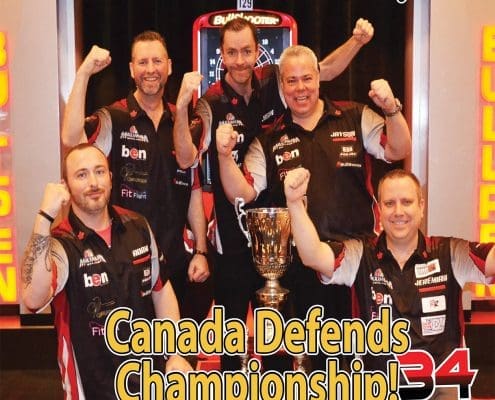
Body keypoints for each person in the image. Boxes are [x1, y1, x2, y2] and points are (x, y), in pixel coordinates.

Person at [173, 17, 374, 371]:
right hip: (234, 238)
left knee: (279, 339)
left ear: (257, 52)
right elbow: (186, 157)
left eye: (246, 51)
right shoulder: (210, 103)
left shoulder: (274, 82)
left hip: (281, 240)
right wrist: (180, 107)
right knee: (232, 337)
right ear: (222, 55)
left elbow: (324, 69)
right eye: (231, 53)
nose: (239, 61)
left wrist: (356, 42)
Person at [216, 44, 411, 371]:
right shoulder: (269, 139)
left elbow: (398, 148)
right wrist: (224, 156)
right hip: (300, 268)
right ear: (282, 85)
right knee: (314, 365)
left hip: (357, 261)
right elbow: (243, 192)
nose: (300, 88)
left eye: (306, 78)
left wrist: (391, 110)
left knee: (365, 358)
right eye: (291, 81)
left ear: (319, 78)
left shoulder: (354, 116)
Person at [284, 167, 495, 399]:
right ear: (379, 210)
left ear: (421, 207)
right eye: (389, 203)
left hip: (440, 388)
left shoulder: (450, 253)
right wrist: (294, 203)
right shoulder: (360, 254)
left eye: (407, 202)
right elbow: (313, 256)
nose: (398, 212)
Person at [61, 31, 210, 329]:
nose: (150, 69)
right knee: (131, 352)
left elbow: (194, 188)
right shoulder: (113, 117)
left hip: (176, 263)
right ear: (131, 69)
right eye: (142, 62)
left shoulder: (185, 121)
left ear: (169, 66)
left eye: (157, 61)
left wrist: (202, 251)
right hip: (125, 265)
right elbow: (70, 138)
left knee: (176, 349)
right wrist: (84, 73)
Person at [21, 144, 192, 399]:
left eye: (99, 171)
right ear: (66, 186)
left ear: (111, 179)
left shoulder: (138, 225)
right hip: (91, 388)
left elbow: (161, 290)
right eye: (81, 175)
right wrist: (44, 217)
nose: (93, 182)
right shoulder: (61, 243)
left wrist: (175, 353)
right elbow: (32, 299)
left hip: (148, 381)